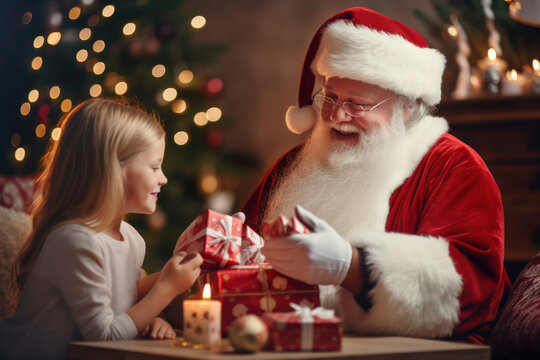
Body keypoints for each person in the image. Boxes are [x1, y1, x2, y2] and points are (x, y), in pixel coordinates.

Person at [241, 7, 511, 344]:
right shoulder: (294, 163)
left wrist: (352, 267)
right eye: (331, 97)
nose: (338, 115)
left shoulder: (454, 166)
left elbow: (469, 291)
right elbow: (240, 247)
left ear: (407, 106)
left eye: (358, 103)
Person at [0, 98, 203, 360]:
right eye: (154, 167)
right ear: (111, 172)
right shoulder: (74, 241)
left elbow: (119, 299)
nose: (163, 178)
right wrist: (165, 290)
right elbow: (104, 338)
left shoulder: (131, 239)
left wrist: (155, 298)